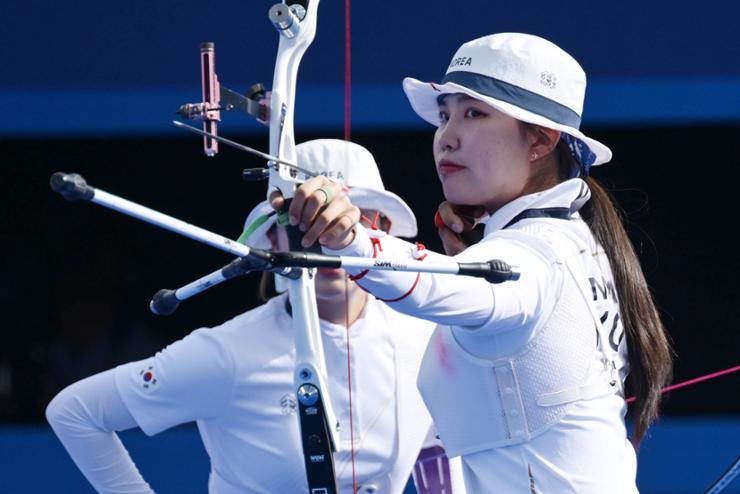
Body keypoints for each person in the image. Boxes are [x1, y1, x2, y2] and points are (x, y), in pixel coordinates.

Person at [278, 33, 674, 493]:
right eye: (444, 116)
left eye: (474, 114)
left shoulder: (534, 252)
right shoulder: (574, 239)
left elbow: (440, 287)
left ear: (541, 141)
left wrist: (349, 238)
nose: (446, 137)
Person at [46, 139, 464, 494]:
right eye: (306, 227)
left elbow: (435, 441)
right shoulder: (228, 352)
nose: (329, 246)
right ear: (274, 237)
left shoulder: (424, 335)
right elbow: (75, 412)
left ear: (382, 232)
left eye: (349, 224)